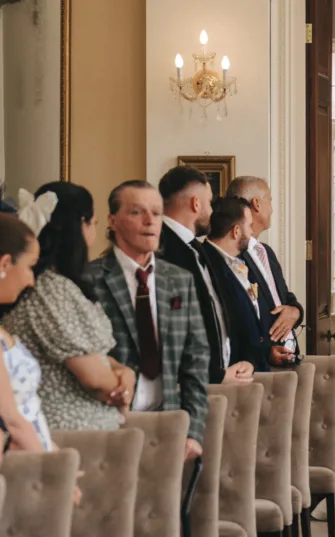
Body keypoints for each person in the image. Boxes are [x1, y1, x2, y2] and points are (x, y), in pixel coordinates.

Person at [0, 212, 87, 537]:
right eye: (28, 266)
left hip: (34, 470)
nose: (32, 277)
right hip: (23, 477)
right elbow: (12, 420)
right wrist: (55, 475)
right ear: (3, 263)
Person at [83, 180, 210, 457]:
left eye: (156, 212)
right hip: (111, 424)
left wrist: (194, 431)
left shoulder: (179, 280)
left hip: (170, 421)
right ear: (113, 221)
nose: (149, 221)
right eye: (137, 212)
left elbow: (196, 359)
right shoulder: (87, 279)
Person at [6, 184, 135, 430]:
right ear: (81, 226)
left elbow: (94, 355)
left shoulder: (64, 286)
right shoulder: (49, 290)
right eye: (94, 223)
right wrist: (119, 385)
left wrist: (126, 373)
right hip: (68, 433)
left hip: (92, 432)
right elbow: (95, 379)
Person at [158, 166, 253, 384]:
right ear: (195, 203)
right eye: (209, 203)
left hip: (220, 376)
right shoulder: (161, 248)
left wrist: (242, 361)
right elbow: (171, 329)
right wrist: (215, 374)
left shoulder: (198, 248)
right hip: (189, 384)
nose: (211, 212)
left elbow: (216, 309)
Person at [225, 177, 302, 365]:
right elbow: (237, 318)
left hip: (289, 356)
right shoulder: (232, 254)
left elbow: (285, 296)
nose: (273, 209)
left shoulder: (266, 252)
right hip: (259, 363)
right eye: (270, 200)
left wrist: (296, 311)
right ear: (257, 204)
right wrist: (265, 353)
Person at [201, 197, 274, 371]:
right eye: (249, 226)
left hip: (255, 368)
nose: (252, 232)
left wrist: (267, 351)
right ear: (235, 231)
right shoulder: (206, 264)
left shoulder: (237, 262)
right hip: (235, 373)